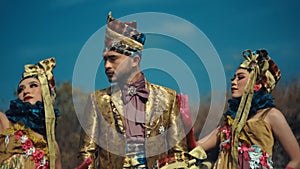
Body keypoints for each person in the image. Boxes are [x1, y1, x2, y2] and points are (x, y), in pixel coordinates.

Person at [78, 11, 199, 169]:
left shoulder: (168, 98)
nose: (107, 65)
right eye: (105, 59)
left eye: (113, 58)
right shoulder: (97, 100)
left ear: (135, 60)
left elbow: (178, 153)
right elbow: (87, 155)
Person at [196, 49, 300, 169]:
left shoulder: (271, 115)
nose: (233, 82)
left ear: (259, 83)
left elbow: (296, 159)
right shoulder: (228, 127)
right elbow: (197, 146)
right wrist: (184, 119)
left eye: (240, 78)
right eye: (233, 78)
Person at [0, 58, 62, 169]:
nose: (26, 91)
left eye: (33, 85)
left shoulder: (53, 147)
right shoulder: (6, 125)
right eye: (20, 90)